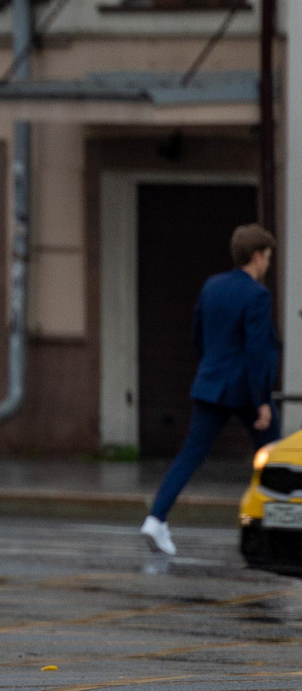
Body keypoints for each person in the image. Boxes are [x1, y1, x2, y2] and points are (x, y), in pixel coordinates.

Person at [143, 223, 282, 557]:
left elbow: (198, 335)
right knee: (275, 456)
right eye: (267, 258)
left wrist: (211, 369)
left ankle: (155, 518)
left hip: (211, 385)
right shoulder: (257, 295)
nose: (268, 265)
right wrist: (262, 400)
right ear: (256, 257)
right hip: (246, 389)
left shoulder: (212, 286)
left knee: (191, 453)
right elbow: (257, 351)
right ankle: (281, 527)